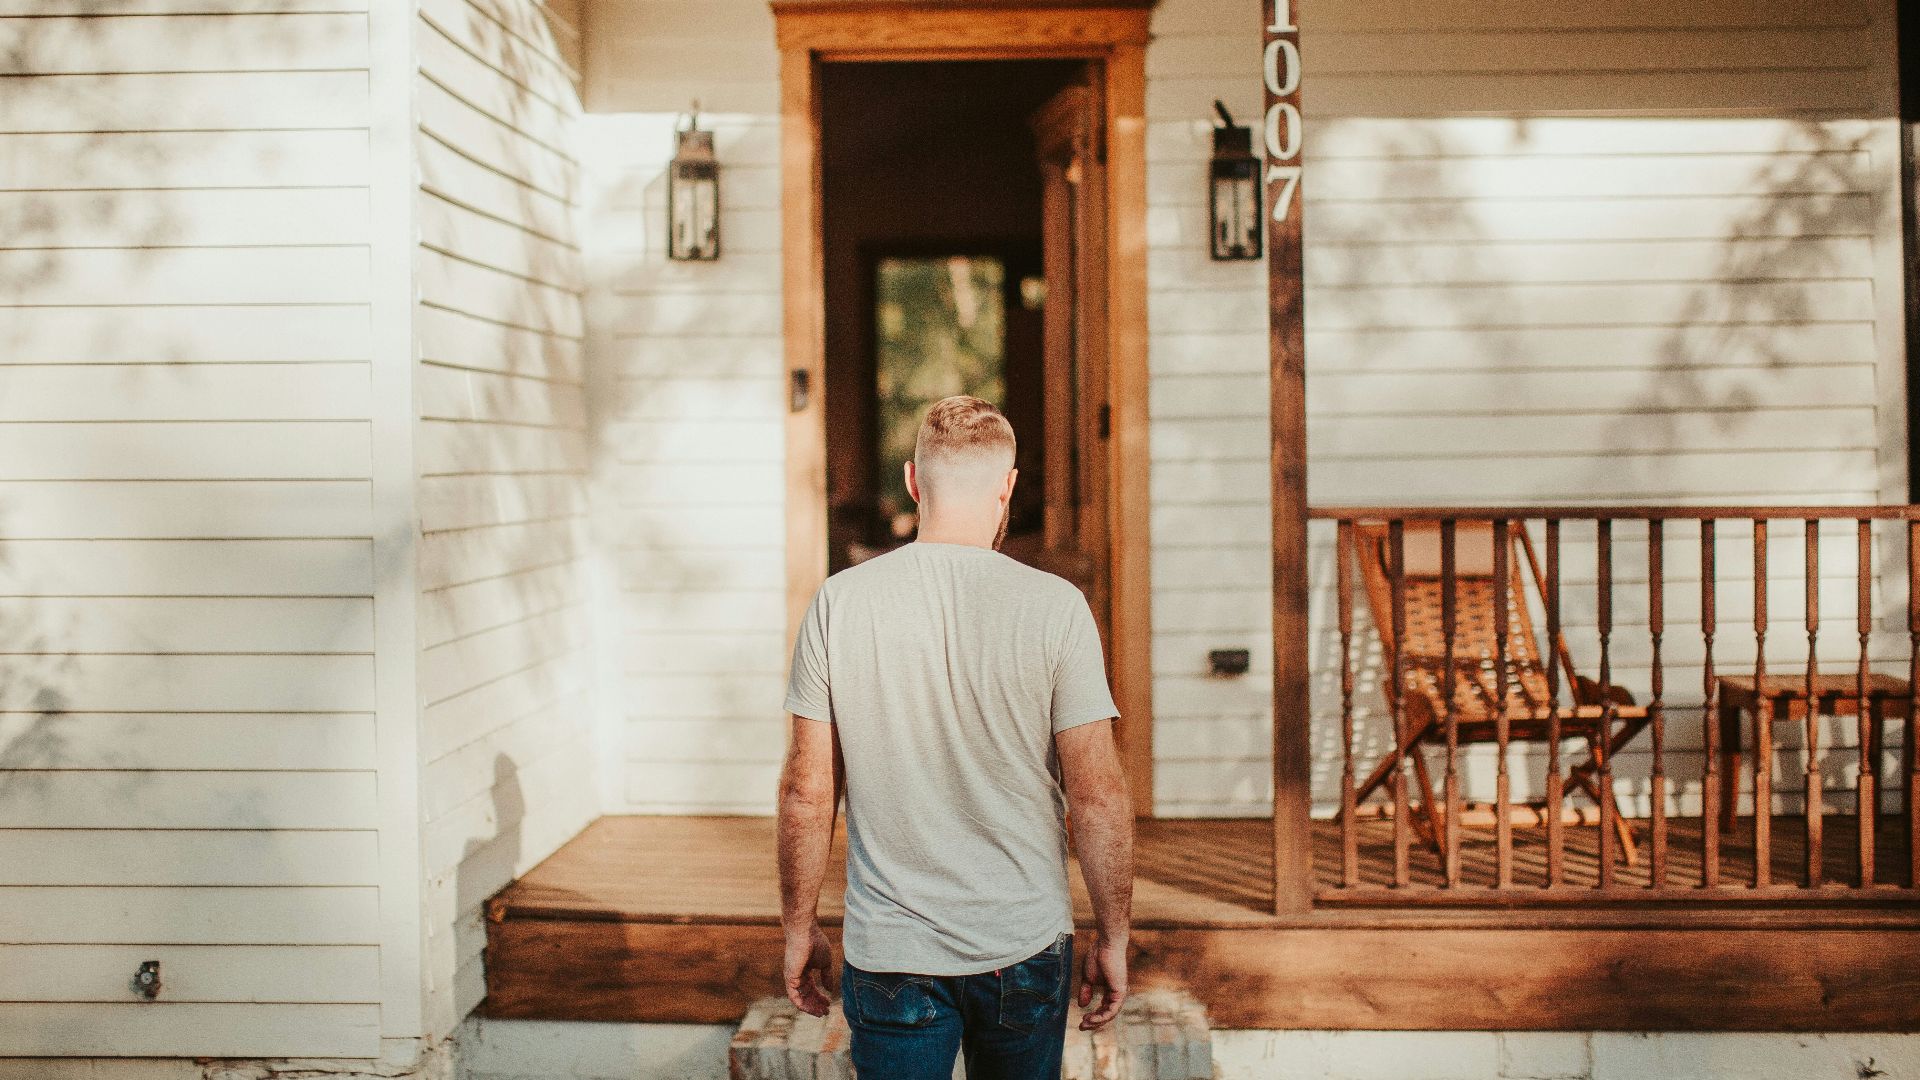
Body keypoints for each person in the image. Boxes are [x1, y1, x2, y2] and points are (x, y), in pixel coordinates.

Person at [777, 395, 1135, 1080]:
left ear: (914, 481)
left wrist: (800, 926)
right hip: (1022, 945)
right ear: (1008, 486)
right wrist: (1114, 936)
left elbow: (806, 791)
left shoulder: (839, 602)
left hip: (892, 953)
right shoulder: (1056, 607)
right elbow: (1098, 797)